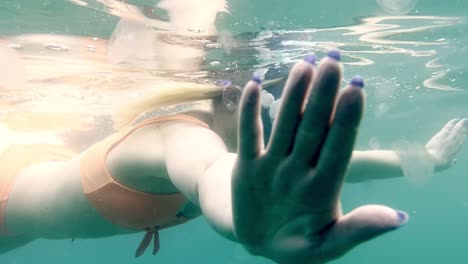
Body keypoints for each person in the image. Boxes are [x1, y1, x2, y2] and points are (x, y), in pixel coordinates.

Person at [0, 49, 466, 264]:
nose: (290, 140)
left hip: (28, 207)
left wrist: (425, 158)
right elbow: (210, 173)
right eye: (285, 120)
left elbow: (330, 166)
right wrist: (244, 226)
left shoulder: (232, 149)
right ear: (236, 102)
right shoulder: (177, 136)